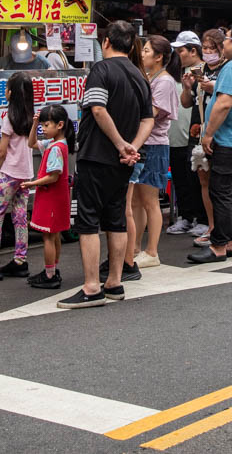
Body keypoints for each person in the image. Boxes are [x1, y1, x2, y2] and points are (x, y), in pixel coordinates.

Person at [57, 20, 153, 308]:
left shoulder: (101, 69)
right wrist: (131, 147)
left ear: (106, 43)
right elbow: (149, 119)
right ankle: (114, 282)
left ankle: (91, 287)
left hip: (96, 155)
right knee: (116, 218)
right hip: (123, 162)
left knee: (87, 221)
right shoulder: (139, 74)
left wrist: (119, 143)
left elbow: (97, 109)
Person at [187, 22, 232, 264]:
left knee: (221, 191)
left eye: (227, 39)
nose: (223, 43)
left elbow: (224, 103)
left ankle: (218, 245)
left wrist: (208, 134)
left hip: (230, 139)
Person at [127, 34, 180, 268]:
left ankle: (152, 251)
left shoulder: (165, 81)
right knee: (137, 201)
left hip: (155, 145)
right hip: (143, 143)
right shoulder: (150, 77)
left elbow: (153, 113)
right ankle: (136, 246)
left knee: (150, 201)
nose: (143, 54)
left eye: (147, 51)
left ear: (159, 57)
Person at [0, 72, 35, 281]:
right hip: (26, 174)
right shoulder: (32, 116)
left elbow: (2, 151)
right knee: (20, 217)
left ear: (11, 93)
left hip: (9, 173)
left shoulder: (9, 118)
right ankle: (20, 260)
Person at [181, 29, 229, 249]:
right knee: (203, 180)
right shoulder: (198, 70)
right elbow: (187, 103)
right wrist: (187, 87)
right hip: (199, 131)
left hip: (221, 132)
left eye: (213, 48)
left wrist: (214, 87)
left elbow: (229, 100)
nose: (209, 52)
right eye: (206, 48)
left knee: (223, 184)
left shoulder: (228, 70)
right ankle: (210, 226)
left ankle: (228, 229)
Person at [24, 104, 74, 288]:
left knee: (48, 236)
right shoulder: (56, 143)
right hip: (57, 197)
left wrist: (32, 184)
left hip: (51, 197)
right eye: (42, 126)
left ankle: (50, 274)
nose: (43, 129)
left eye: (46, 125)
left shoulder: (55, 148)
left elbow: (53, 176)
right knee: (54, 235)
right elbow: (31, 143)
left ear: (59, 125)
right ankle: (53, 270)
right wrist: (34, 124)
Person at [167, 31, 208, 236]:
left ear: (193, 50)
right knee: (181, 179)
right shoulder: (180, 73)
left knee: (197, 179)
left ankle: (202, 219)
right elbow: (185, 102)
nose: (178, 54)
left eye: (181, 50)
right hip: (180, 134)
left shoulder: (206, 72)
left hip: (198, 134)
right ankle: (186, 217)